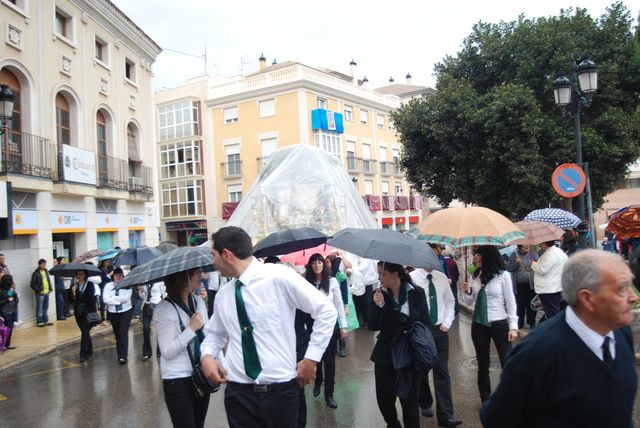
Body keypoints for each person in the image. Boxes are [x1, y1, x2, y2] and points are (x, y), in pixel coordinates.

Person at [480, 250, 638, 427]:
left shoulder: (620, 331)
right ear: (587, 298)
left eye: (630, 286)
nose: (633, 297)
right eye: (621, 289)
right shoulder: (537, 353)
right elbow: (496, 418)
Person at [200, 226, 337, 428]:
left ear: (226, 254)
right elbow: (214, 335)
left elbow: (326, 311)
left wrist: (311, 359)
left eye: (214, 255)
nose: (212, 263)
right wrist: (207, 356)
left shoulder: (279, 277)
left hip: (280, 393)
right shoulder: (224, 294)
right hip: (238, 395)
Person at [370, 261, 428, 428]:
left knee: (410, 403)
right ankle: (393, 424)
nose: (379, 278)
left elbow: (425, 322)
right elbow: (373, 326)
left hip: (410, 354)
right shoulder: (379, 294)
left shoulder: (416, 293)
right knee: (384, 399)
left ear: (395, 275)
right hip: (386, 354)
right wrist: (379, 306)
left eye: (382, 274)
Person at [461, 245, 518, 403]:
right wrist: (467, 292)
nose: (475, 257)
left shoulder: (503, 275)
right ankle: (485, 399)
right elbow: (469, 301)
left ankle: (509, 397)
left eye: (477, 254)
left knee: (507, 363)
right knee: (483, 365)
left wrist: (513, 326)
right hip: (479, 325)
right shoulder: (475, 276)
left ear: (487, 256)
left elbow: (511, 301)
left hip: (499, 324)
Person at [154, 267, 209, 428]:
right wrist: (191, 329)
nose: (201, 274)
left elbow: (208, 336)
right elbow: (167, 352)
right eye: (197, 272)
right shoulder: (164, 309)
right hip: (177, 381)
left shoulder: (198, 302)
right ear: (184, 277)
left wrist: (220, 363)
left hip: (200, 376)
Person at [409, 267, 461, 427]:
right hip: (422, 331)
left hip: (440, 330)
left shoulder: (442, 277)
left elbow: (450, 301)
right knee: (422, 370)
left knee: (442, 372)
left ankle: (446, 415)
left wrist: (447, 322)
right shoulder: (412, 278)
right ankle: (424, 402)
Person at [305, 254, 348, 409]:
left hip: (330, 328)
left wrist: (343, 326)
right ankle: (318, 382)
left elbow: (339, 303)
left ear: (324, 264)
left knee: (330, 361)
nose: (317, 265)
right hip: (313, 326)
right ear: (310, 265)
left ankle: (329, 394)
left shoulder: (332, 281)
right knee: (316, 358)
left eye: (319, 262)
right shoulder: (306, 283)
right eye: (313, 262)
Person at [530, 240, 568, 320]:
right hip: (556, 286)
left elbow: (542, 269)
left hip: (548, 289)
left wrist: (533, 264)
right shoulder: (559, 252)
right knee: (555, 311)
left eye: (541, 243)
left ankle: (555, 330)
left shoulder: (550, 254)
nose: (540, 245)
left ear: (544, 243)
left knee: (551, 313)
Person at [102, 268, 133, 364]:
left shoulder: (127, 285)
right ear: (113, 276)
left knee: (123, 333)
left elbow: (126, 299)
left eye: (120, 275)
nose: (118, 277)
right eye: (116, 275)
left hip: (125, 312)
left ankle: (123, 356)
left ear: (123, 276)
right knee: (117, 334)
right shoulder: (108, 286)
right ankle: (119, 354)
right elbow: (105, 299)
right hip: (113, 313)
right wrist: (117, 301)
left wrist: (113, 298)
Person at [326, 251, 352, 357]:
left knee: (341, 325)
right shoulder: (324, 275)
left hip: (339, 303)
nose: (325, 263)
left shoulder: (340, 275)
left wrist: (346, 305)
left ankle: (341, 347)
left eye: (327, 262)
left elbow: (345, 291)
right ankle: (333, 346)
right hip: (329, 304)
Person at [506, 245, 537, 329]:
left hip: (531, 285)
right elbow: (508, 268)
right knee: (520, 305)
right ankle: (519, 323)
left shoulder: (533, 254)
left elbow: (538, 266)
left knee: (531, 305)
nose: (528, 246)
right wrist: (516, 263)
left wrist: (534, 263)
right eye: (525, 245)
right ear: (520, 246)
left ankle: (532, 323)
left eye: (528, 246)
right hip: (519, 286)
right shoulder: (514, 255)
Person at [72, 269, 98, 363]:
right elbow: (72, 300)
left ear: (85, 275)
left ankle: (83, 354)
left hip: (88, 312)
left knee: (85, 332)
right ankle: (90, 351)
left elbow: (90, 298)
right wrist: (74, 293)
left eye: (81, 274)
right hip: (78, 312)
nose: (79, 276)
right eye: (78, 274)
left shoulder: (90, 284)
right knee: (85, 332)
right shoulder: (74, 286)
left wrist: (79, 295)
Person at [139, 281, 166, 360]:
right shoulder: (145, 282)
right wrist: (142, 292)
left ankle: (159, 351)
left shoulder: (160, 282)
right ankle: (147, 353)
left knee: (160, 329)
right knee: (145, 329)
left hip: (158, 305)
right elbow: (142, 297)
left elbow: (164, 294)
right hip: (147, 305)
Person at [352, 256, 378, 328]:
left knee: (367, 302)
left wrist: (354, 269)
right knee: (357, 302)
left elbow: (363, 268)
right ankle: (359, 320)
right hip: (356, 283)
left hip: (367, 283)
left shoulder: (369, 258)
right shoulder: (354, 257)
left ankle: (367, 321)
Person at [30, 259, 54, 327]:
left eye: (45, 264)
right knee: (39, 307)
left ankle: (45, 320)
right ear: (39, 265)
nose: (44, 265)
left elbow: (48, 281)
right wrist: (38, 290)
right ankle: (39, 321)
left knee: (45, 307)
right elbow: (32, 284)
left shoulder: (46, 271)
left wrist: (50, 288)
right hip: (40, 293)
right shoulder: (35, 273)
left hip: (47, 292)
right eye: (43, 264)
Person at [0, 274, 18, 349]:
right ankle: (4, 344)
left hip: (12, 311)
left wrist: (14, 291)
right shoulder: (1, 290)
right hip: (5, 312)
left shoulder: (9, 290)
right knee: (8, 327)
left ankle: (7, 344)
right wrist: (7, 300)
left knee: (10, 328)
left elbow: (15, 297)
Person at [98, 259, 112, 324]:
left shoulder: (108, 268)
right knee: (102, 303)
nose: (108, 263)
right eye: (107, 262)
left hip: (108, 287)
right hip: (103, 287)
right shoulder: (100, 269)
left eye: (109, 262)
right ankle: (103, 319)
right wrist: (109, 274)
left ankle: (109, 318)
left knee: (109, 302)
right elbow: (102, 278)